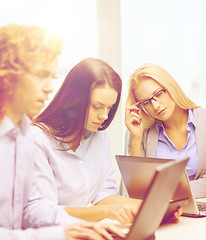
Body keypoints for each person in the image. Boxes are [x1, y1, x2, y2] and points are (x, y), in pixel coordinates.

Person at [0, 24, 124, 239]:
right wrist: (60, 234)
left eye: (51, 76)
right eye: (41, 75)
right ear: (8, 74)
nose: (49, 87)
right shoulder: (34, 138)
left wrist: (78, 227)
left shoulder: (21, 136)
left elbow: (31, 208)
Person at [27, 57, 141, 226]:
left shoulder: (99, 135)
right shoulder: (36, 140)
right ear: (74, 101)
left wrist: (145, 207)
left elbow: (103, 194)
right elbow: (45, 213)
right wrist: (104, 212)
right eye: (97, 106)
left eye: (109, 108)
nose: (104, 116)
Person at [125, 63, 206, 198]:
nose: (155, 106)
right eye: (146, 102)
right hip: (160, 211)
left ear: (170, 87)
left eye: (158, 94)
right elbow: (136, 189)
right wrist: (136, 139)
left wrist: (168, 193)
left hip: (201, 208)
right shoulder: (141, 131)